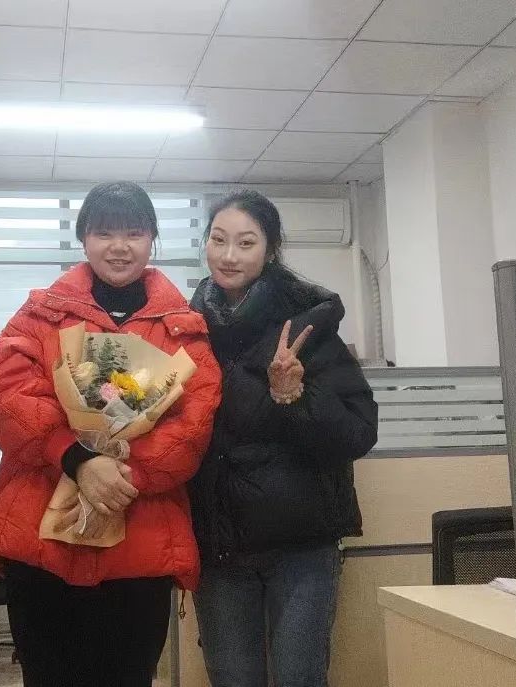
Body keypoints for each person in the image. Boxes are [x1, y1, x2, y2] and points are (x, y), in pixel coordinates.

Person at [0, 181, 222, 687]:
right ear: (84, 239)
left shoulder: (182, 329)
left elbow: (193, 423)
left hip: (139, 541)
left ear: (152, 240)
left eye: (134, 233)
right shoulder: (40, 315)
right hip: (42, 537)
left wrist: (122, 475)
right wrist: (76, 458)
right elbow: (5, 390)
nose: (119, 247)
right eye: (104, 233)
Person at [189, 189, 378, 687]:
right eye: (218, 240)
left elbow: (359, 432)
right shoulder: (188, 327)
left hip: (300, 544)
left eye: (246, 242)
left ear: (270, 250)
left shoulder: (307, 326)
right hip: (220, 545)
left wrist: (294, 397)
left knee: (300, 678)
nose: (229, 255)